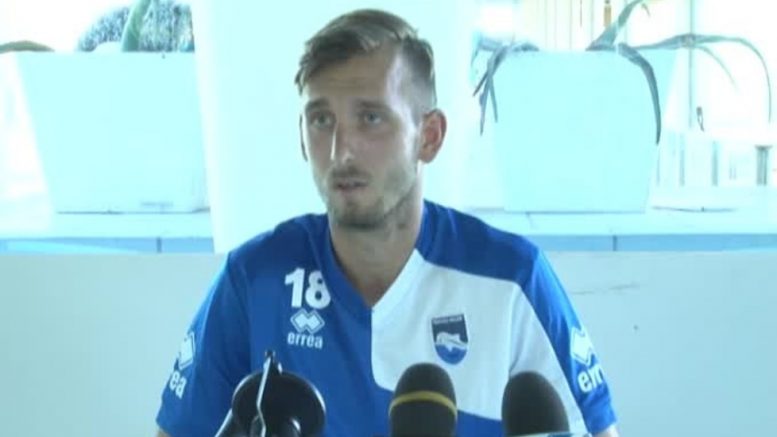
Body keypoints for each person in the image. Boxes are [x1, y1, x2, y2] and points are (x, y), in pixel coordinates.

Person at [155, 8, 619, 437]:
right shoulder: (256, 280)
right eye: (321, 120)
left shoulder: (513, 280)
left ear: (429, 137)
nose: (341, 151)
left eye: (371, 118)